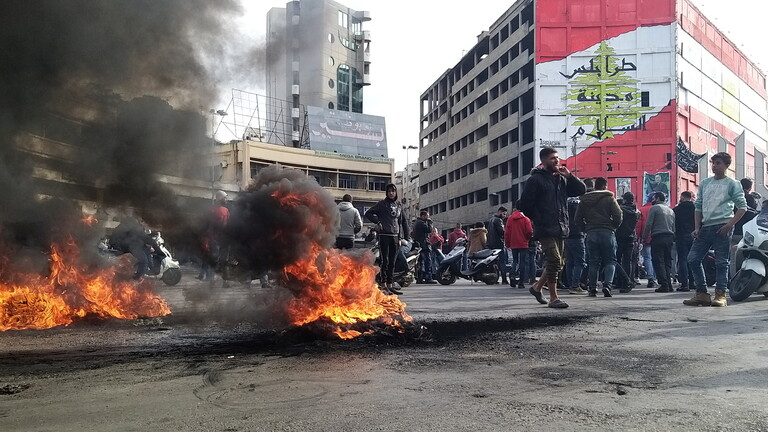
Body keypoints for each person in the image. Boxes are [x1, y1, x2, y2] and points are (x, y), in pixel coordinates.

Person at [519, 147, 586, 309]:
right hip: (544, 227)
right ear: (543, 161)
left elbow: (581, 190)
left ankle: (537, 288)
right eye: (552, 158)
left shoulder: (561, 179)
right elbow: (524, 204)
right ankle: (554, 298)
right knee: (555, 260)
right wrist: (537, 217)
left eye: (557, 158)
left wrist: (569, 176)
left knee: (559, 262)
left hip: (561, 226)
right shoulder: (535, 180)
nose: (556, 161)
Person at [684, 152, 747, 307]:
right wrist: (697, 227)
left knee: (721, 262)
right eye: (713, 163)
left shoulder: (733, 184)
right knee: (692, 258)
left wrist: (729, 224)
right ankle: (702, 293)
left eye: (718, 163)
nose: (714, 166)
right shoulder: (705, 183)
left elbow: (742, 207)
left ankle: (720, 294)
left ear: (726, 165)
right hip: (705, 227)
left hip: (722, 226)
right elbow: (698, 206)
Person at [574, 177, 622, 297]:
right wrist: (613, 226)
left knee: (593, 262)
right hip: (607, 232)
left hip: (591, 233)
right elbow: (618, 215)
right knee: (611, 260)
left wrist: (586, 229)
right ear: (605, 186)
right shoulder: (609, 198)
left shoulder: (584, 200)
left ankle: (592, 288)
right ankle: (607, 285)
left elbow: (577, 219)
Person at [365, 183, 411, 295]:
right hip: (384, 236)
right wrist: (378, 222)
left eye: (393, 191)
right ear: (387, 192)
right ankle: (383, 284)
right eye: (389, 191)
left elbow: (403, 222)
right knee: (384, 261)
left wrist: (405, 237)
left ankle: (390, 285)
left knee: (392, 262)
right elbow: (368, 213)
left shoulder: (399, 205)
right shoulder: (381, 204)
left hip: (395, 237)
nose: (391, 193)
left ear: (395, 193)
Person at [643, 192, 676, 292]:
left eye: (653, 198)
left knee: (658, 261)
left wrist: (644, 237)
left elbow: (649, 224)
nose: (652, 200)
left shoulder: (654, 208)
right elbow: (673, 227)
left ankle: (663, 284)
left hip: (658, 237)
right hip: (669, 237)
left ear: (657, 198)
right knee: (667, 261)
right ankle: (669, 284)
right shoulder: (671, 211)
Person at [110, 216, 156, 280]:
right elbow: (142, 237)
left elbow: (140, 238)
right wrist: (153, 243)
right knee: (144, 261)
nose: (142, 223)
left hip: (129, 246)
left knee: (147, 253)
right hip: (131, 247)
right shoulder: (134, 228)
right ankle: (137, 277)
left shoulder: (122, 227)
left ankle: (145, 271)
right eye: (141, 221)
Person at [198, 190, 230, 282]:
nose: (226, 200)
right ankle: (224, 281)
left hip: (216, 239)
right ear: (221, 199)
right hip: (219, 239)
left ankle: (211, 280)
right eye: (225, 198)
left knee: (214, 260)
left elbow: (208, 225)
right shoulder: (224, 211)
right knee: (223, 261)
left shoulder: (213, 211)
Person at [614, 192, 640, 293]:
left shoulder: (620, 209)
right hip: (630, 237)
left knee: (617, 259)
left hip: (619, 237)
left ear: (624, 199)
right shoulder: (636, 211)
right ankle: (627, 283)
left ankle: (619, 281)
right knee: (627, 261)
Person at [505, 201, 533, 289]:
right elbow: (529, 231)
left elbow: (507, 233)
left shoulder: (510, 218)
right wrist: (527, 239)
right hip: (523, 243)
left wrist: (507, 243)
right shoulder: (526, 219)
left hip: (513, 243)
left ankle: (512, 277)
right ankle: (521, 282)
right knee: (522, 262)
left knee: (514, 261)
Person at [673, 191, 696, 291]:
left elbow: (673, 223)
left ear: (682, 197)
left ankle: (684, 284)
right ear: (690, 197)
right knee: (693, 259)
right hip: (693, 235)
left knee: (682, 259)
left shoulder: (676, 209)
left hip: (681, 236)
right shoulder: (696, 208)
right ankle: (692, 282)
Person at [564, 197, 586, 294]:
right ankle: (575, 285)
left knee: (570, 261)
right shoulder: (580, 203)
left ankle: (570, 283)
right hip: (577, 234)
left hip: (567, 234)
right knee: (580, 262)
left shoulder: (565, 203)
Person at [412, 210, 436, 284]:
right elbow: (429, 230)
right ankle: (428, 277)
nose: (428, 218)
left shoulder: (417, 222)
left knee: (420, 262)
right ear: (423, 216)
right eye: (427, 216)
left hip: (419, 244)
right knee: (427, 261)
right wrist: (430, 223)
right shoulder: (421, 223)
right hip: (424, 245)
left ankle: (420, 278)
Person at [487, 206, 508, 284]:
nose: (504, 216)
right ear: (500, 212)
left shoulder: (491, 220)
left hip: (491, 244)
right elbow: (502, 232)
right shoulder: (498, 220)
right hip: (499, 244)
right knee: (503, 262)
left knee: (494, 262)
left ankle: (494, 279)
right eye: (504, 214)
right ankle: (504, 279)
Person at [637, 201, 657, 288]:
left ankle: (650, 277)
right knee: (656, 258)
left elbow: (639, 225)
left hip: (646, 237)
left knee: (647, 257)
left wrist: (639, 237)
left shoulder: (642, 210)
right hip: (657, 236)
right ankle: (657, 277)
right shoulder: (659, 209)